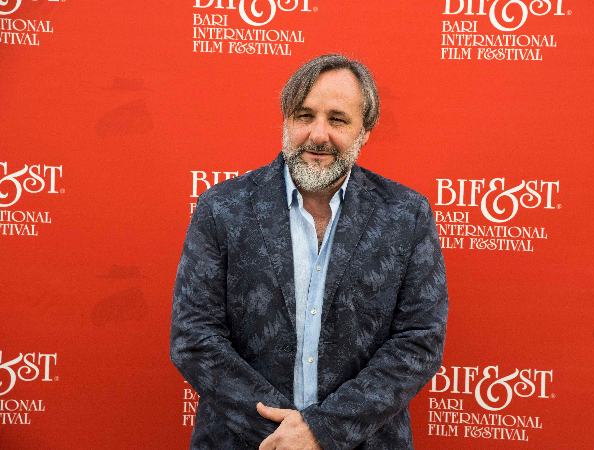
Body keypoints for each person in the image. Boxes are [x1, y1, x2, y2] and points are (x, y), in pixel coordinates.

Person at [170, 54, 448, 450]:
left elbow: (419, 341)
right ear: (286, 121)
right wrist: (283, 437)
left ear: (365, 131)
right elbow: (194, 338)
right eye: (304, 116)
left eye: (337, 120)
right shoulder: (223, 208)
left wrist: (322, 431)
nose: (318, 135)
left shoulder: (407, 214)